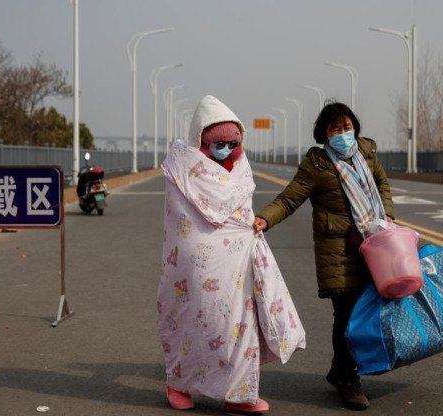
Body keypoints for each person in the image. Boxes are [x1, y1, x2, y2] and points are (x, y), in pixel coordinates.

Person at [157, 95, 306, 413]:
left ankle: (238, 393)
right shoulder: (180, 167)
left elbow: (241, 214)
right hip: (191, 267)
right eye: (217, 143)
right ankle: (179, 383)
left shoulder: (241, 167)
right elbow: (179, 218)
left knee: (237, 326)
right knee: (189, 322)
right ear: (201, 140)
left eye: (231, 143)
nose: (225, 149)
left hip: (235, 262)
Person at [253, 102, 394, 411]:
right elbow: (290, 198)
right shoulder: (317, 165)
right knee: (345, 314)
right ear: (324, 134)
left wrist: (389, 216)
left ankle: (340, 368)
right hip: (339, 251)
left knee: (370, 311)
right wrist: (264, 219)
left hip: (377, 245)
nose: (343, 134)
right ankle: (347, 379)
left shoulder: (367, 154)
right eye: (335, 129)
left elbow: (381, 183)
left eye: (347, 127)